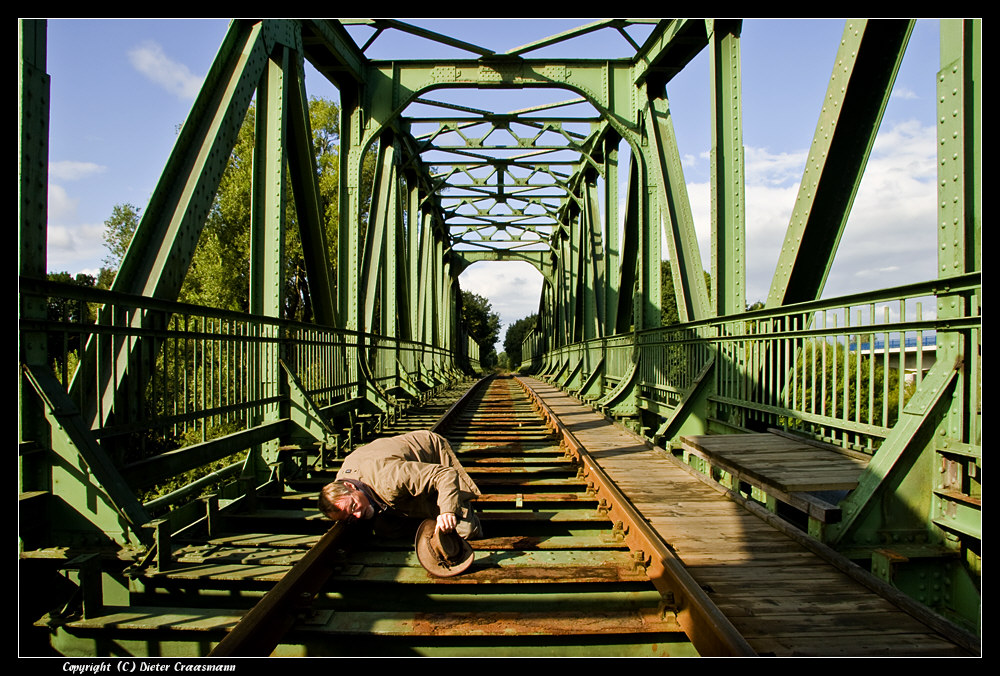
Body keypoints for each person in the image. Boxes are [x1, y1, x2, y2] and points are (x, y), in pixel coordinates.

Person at [318, 429, 483, 540]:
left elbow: (444, 474)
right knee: (384, 528)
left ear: (352, 487)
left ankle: (444, 513)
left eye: (354, 506)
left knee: (465, 529)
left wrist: (447, 511)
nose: (358, 515)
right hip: (382, 463)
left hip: (431, 451)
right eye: (349, 517)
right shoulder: (340, 484)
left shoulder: (390, 479)